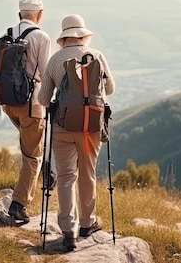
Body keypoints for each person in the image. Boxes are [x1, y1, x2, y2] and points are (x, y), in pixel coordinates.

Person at [38, 14, 115, 251]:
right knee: (87, 174)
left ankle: (68, 232)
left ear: (64, 37)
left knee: (65, 177)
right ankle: (87, 223)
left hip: (63, 127)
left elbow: (42, 99)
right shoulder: (98, 56)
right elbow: (110, 89)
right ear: (82, 35)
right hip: (90, 128)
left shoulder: (55, 60)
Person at [3, 0, 52, 223]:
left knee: (30, 146)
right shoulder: (41, 37)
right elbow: (46, 74)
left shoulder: (8, 33)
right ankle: (18, 205)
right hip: (31, 105)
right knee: (32, 157)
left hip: (7, 103)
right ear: (39, 14)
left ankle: (44, 171)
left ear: (19, 14)